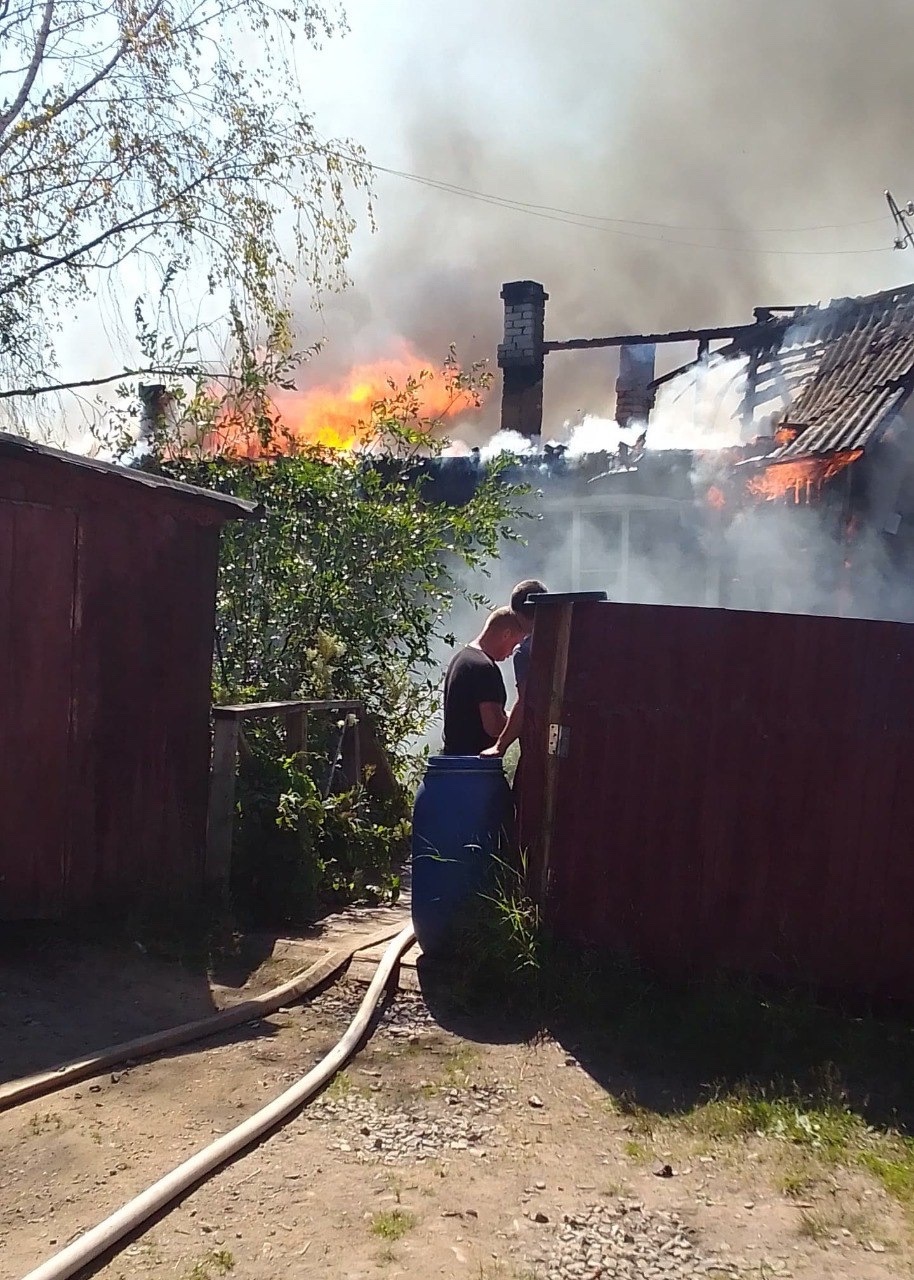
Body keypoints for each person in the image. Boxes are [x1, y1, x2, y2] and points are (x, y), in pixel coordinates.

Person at [442, 607, 524, 755]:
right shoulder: (484, 668)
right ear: (506, 634)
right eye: (514, 644)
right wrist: (521, 722)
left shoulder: (462, 658)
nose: (512, 653)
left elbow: (475, 714)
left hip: (453, 760)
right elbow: (495, 727)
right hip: (474, 766)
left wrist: (511, 715)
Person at [481, 578, 547, 760]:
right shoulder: (568, 635)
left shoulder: (525, 652)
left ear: (518, 613)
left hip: (541, 744)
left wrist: (499, 747)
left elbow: (526, 701)